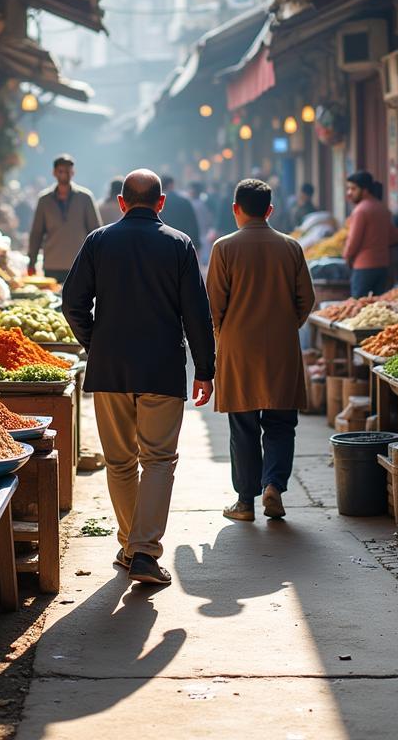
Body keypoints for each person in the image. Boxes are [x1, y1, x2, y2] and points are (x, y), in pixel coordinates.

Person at [62, 169, 215, 586]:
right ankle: (144, 550)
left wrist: (96, 343)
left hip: (110, 368)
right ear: (161, 203)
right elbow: (197, 314)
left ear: (122, 202)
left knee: (120, 461)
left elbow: (72, 304)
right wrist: (205, 368)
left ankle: (132, 545)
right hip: (162, 368)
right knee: (159, 460)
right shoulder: (179, 244)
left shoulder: (98, 242)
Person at [207, 179, 315, 523]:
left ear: (236, 209)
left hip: (238, 349)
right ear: (270, 210)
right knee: (282, 423)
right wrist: (286, 325)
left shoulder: (224, 248)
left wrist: (224, 334)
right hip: (282, 347)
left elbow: (214, 305)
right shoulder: (291, 247)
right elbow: (306, 300)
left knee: (244, 426)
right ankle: (274, 486)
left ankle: (244, 501)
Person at [27, 154, 101, 283]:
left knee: (78, 302)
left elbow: (95, 231)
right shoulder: (44, 200)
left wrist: (98, 261)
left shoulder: (85, 198)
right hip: (52, 264)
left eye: (68, 171)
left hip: (79, 263)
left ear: (73, 172)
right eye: (61, 171)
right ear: (54, 172)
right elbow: (36, 233)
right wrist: (31, 262)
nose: (64, 174)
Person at [343, 170, 398, 298]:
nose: (349, 193)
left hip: (363, 267)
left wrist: (346, 256)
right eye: (348, 189)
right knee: (377, 306)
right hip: (382, 266)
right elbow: (393, 237)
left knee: (358, 307)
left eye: (353, 189)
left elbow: (353, 241)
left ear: (365, 190)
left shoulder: (360, 210)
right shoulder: (382, 208)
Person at [159, 174, 200, 247]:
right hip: (181, 241)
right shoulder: (183, 201)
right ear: (171, 185)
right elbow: (192, 223)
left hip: (161, 241)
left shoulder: (156, 201)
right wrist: (196, 244)